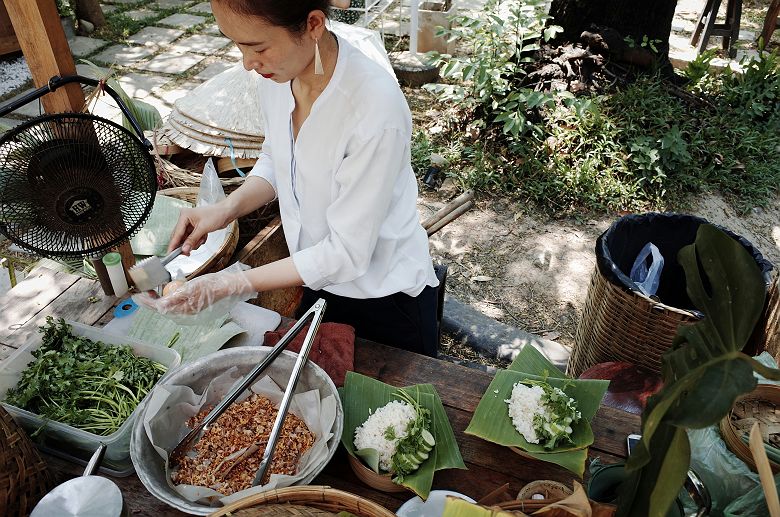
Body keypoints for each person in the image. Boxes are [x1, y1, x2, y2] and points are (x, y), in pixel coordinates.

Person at [147, 0, 440, 356]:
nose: (247, 63)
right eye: (236, 44)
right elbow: (276, 158)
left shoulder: (373, 110)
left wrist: (232, 284)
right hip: (312, 277)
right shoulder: (278, 77)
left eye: (258, 47)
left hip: (382, 295)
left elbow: (346, 253)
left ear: (314, 24)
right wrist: (224, 210)